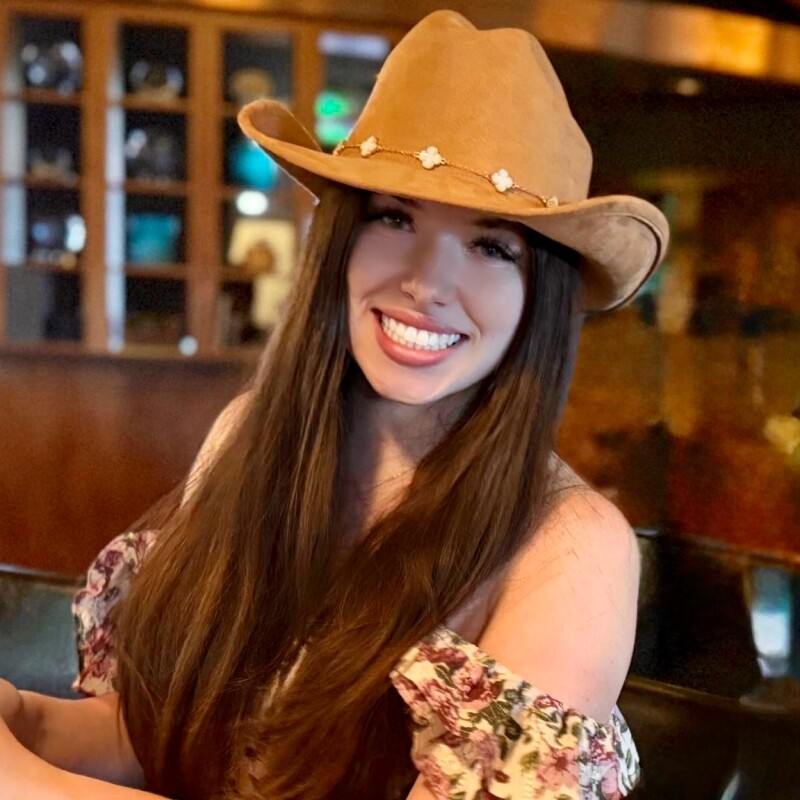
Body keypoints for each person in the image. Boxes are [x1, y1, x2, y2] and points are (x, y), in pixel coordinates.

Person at [0, 9, 668, 799]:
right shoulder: (250, 437)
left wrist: (29, 785)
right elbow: (155, 736)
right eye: (394, 218)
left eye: (492, 246)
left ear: (541, 295)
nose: (427, 281)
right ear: (339, 240)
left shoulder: (572, 546)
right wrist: (25, 723)